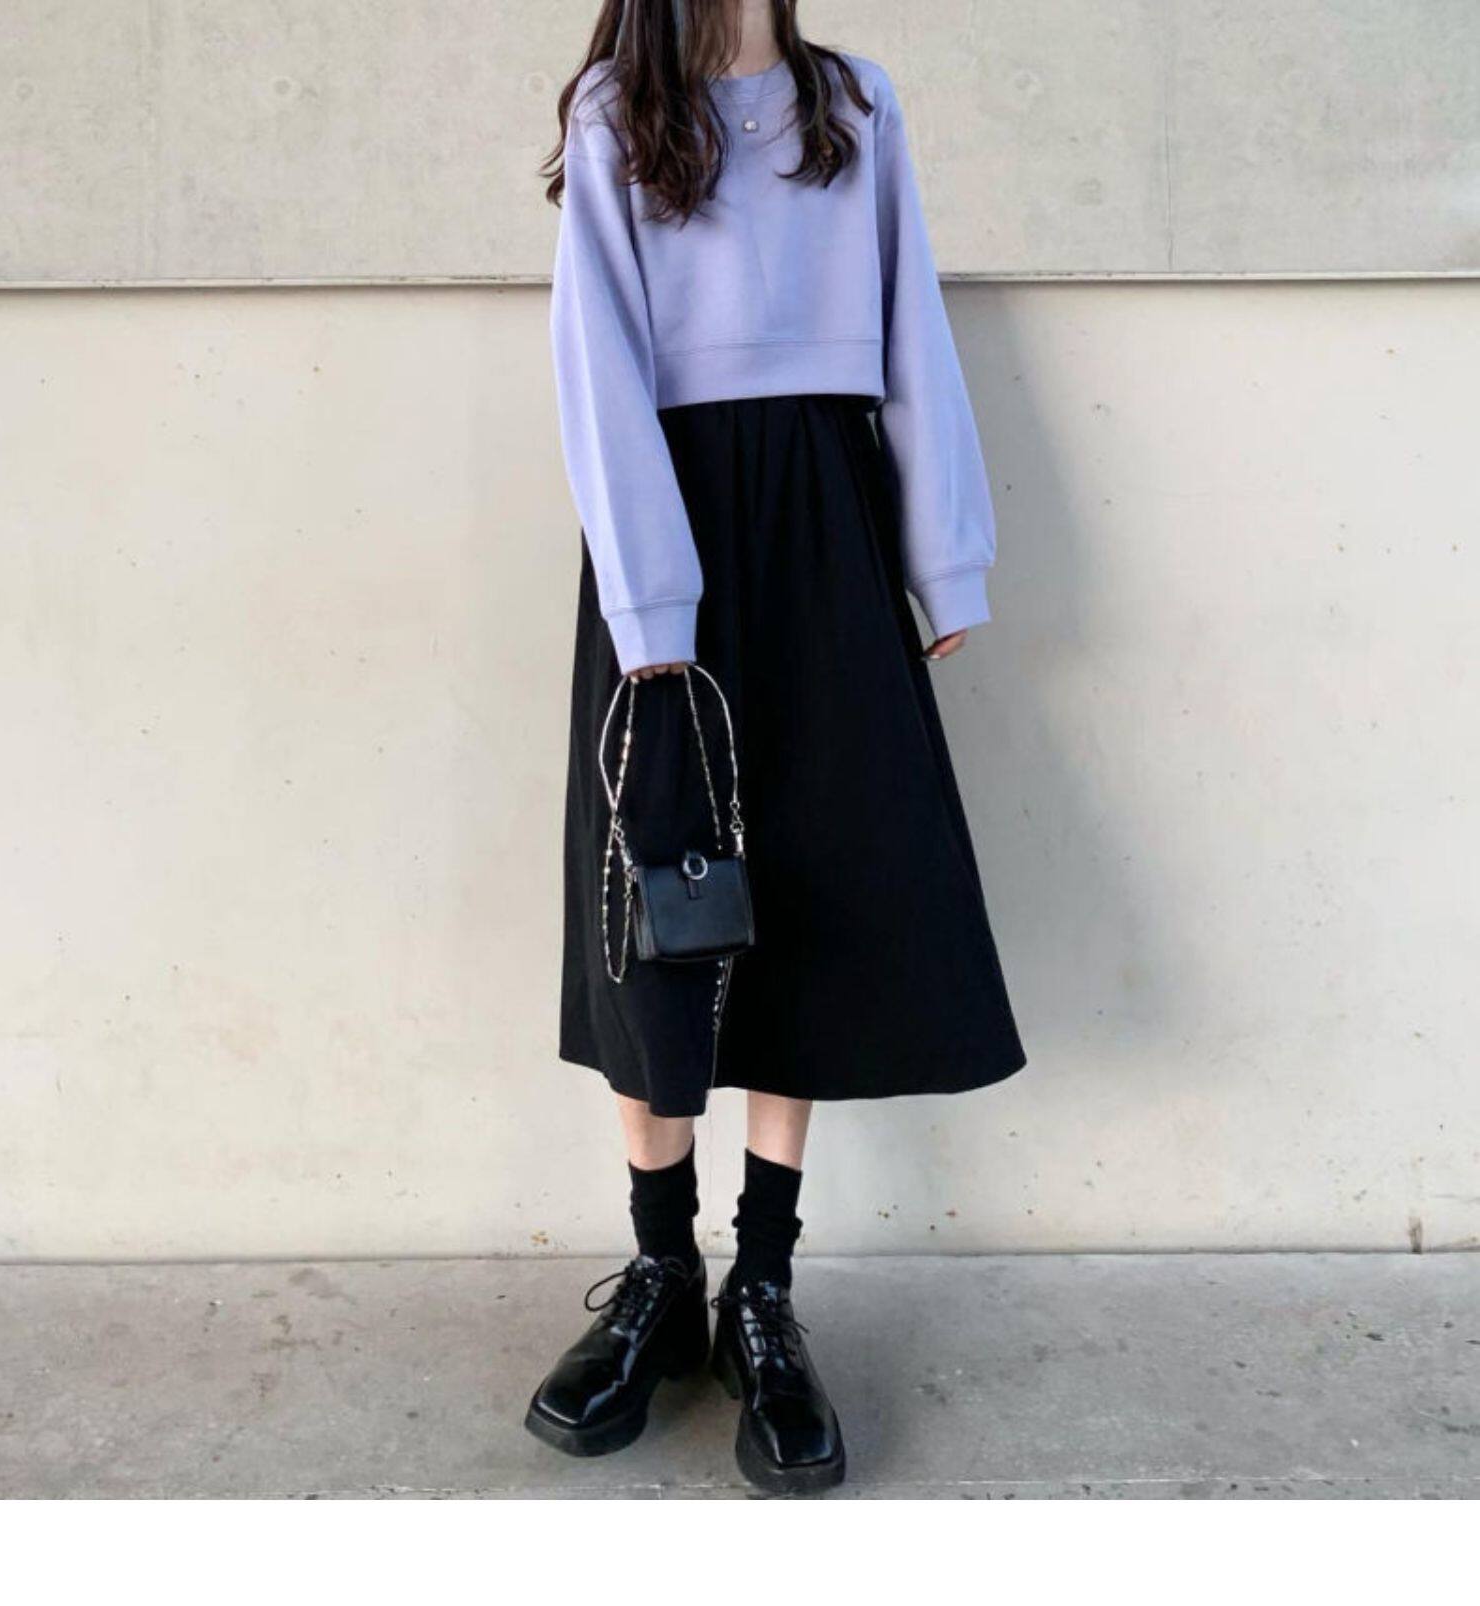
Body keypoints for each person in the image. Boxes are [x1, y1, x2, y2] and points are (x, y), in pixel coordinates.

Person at [526, 0, 1026, 1495]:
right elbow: (596, 364)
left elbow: (913, 329)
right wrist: (651, 599)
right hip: (665, 533)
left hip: (828, 521)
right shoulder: (617, 112)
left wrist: (942, 559)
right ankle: (660, 1274)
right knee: (652, 905)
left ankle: (764, 1286)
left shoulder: (854, 105)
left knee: (809, 887)